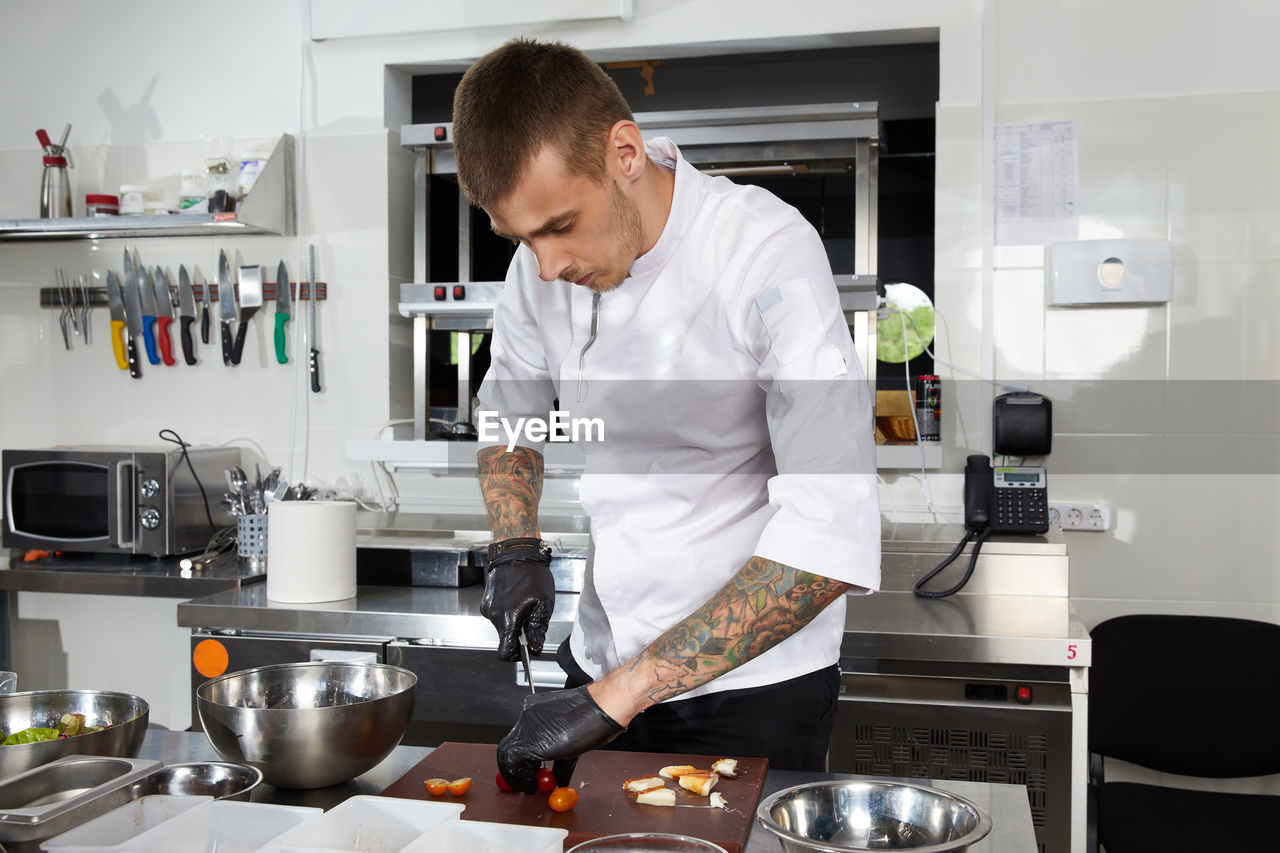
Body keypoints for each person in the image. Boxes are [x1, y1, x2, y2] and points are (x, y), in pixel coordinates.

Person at [453, 38, 881, 794]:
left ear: (625, 152)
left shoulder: (765, 253)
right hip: (602, 657)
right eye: (521, 239)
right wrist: (514, 544)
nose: (546, 266)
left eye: (558, 226)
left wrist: (619, 694)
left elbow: (829, 530)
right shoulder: (538, 270)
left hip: (752, 691)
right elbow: (509, 413)